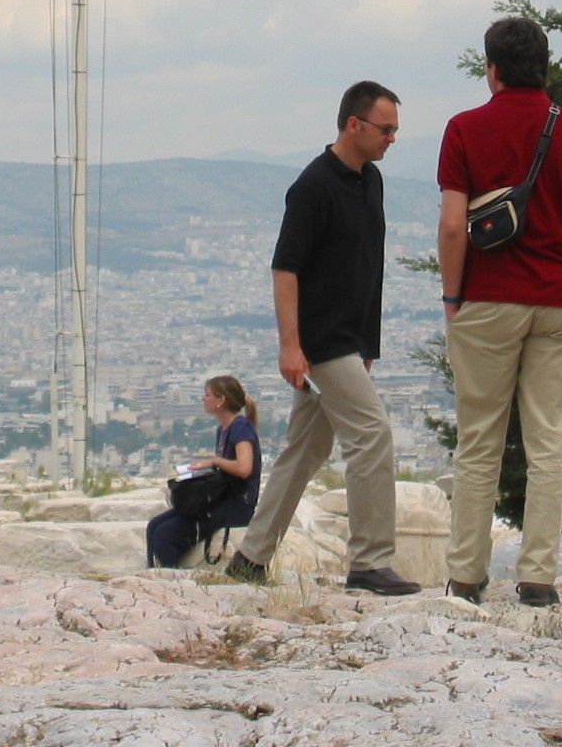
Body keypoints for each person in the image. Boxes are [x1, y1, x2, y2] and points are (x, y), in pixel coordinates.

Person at [437, 17, 562, 607]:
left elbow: (453, 226)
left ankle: (466, 575)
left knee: (479, 442)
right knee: (549, 443)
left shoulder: (464, 129)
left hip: (487, 300)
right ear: (545, 67)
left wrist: (453, 298)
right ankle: (538, 578)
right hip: (558, 301)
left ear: (491, 69)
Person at [226, 80, 421, 596]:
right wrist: (290, 345)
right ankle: (369, 562)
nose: (392, 139)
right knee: (372, 436)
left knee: (305, 451)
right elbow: (285, 269)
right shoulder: (312, 186)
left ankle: (250, 557)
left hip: (348, 340)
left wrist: (368, 343)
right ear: (354, 125)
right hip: (321, 341)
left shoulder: (371, 181)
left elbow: (366, 267)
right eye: (385, 129)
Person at [146, 374, 262, 567]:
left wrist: (214, 461)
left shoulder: (241, 428)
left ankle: (170, 577)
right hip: (219, 499)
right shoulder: (223, 430)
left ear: (221, 400)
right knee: (154, 526)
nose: (203, 399)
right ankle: (154, 573)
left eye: (207, 395)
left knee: (166, 535)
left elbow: (244, 468)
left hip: (236, 505)